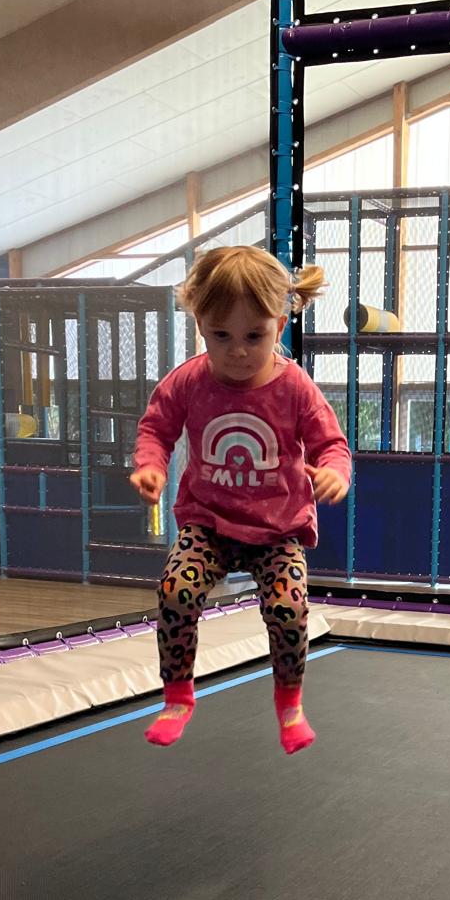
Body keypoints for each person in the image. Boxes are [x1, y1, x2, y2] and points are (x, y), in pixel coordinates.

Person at [130, 246, 350, 754]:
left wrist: (335, 473)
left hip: (277, 529)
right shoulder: (189, 381)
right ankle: (178, 696)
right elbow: (156, 428)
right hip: (208, 523)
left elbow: (330, 444)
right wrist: (151, 465)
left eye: (254, 336)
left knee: (287, 607)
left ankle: (289, 702)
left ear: (279, 325)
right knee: (176, 590)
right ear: (201, 327)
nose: (237, 351)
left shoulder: (294, 387)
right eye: (220, 336)